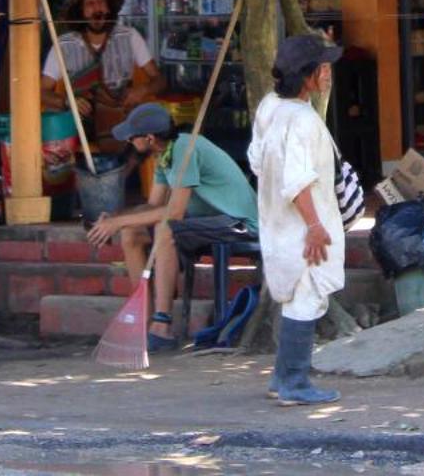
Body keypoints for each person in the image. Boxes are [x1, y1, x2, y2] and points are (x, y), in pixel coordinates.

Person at [85, 102, 259, 351]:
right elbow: (153, 205)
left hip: (238, 222)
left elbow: (174, 213)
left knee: (167, 228)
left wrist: (118, 220)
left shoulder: (184, 150)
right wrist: (115, 218)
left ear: (149, 138)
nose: (129, 143)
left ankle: (162, 324)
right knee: (131, 232)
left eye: (133, 138)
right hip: (210, 222)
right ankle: (141, 320)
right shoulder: (164, 155)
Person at [248, 33, 346, 406]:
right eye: (322, 68)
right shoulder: (302, 119)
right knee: (306, 298)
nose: (327, 75)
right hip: (303, 226)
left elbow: (258, 160)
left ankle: (282, 377)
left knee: (297, 296)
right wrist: (315, 225)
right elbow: (297, 180)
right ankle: (294, 383)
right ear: (306, 76)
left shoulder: (269, 107)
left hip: (276, 222)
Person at [42, 0, 160, 150]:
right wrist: (68, 102)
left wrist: (143, 90)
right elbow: (42, 91)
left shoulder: (130, 36)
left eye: (101, 2)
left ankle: (128, 171)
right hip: (81, 123)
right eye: (90, 3)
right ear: (80, 12)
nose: (97, 8)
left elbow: (159, 80)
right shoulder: (63, 45)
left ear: (109, 8)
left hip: (121, 117)